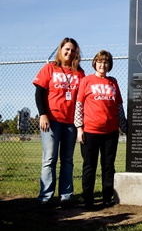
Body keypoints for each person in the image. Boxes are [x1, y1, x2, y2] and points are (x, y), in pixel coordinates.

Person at [33, 37, 85, 208]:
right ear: (61, 49)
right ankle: (45, 197)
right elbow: (39, 92)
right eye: (67, 49)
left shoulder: (80, 73)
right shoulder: (50, 68)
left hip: (70, 122)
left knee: (68, 160)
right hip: (52, 121)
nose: (69, 52)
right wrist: (43, 114)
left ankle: (66, 196)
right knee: (49, 159)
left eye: (73, 50)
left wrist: (80, 123)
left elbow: (82, 99)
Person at [74, 50, 127, 208]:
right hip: (90, 131)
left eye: (106, 62)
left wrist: (124, 126)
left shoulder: (113, 82)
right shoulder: (86, 80)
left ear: (109, 65)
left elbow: (119, 107)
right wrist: (79, 128)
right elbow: (79, 105)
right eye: (100, 62)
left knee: (108, 165)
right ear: (95, 63)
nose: (102, 65)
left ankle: (107, 197)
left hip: (110, 132)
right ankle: (88, 199)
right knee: (89, 166)